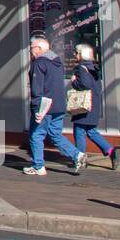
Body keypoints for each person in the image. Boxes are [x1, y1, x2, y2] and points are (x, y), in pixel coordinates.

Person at [25, 35, 86, 176]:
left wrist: (36, 108)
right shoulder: (58, 62)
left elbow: (36, 88)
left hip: (44, 106)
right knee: (55, 134)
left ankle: (38, 166)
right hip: (59, 105)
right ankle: (77, 155)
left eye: (31, 49)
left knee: (36, 135)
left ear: (39, 48)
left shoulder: (39, 63)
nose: (31, 52)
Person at [70, 43, 118, 170]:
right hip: (94, 103)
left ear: (81, 54)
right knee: (90, 131)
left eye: (76, 52)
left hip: (84, 105)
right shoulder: (94, 67)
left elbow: (84, 84)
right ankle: (111, 150)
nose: (75, 55)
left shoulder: (81, 67)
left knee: (79, 131)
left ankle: (80, 159)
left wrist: (74, 82)